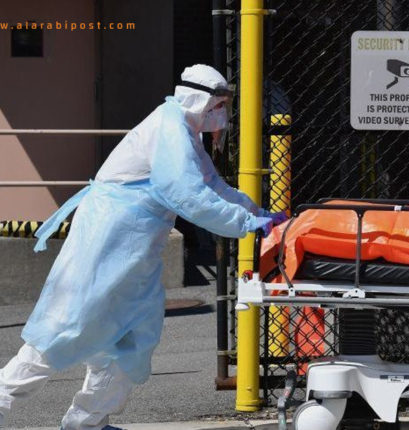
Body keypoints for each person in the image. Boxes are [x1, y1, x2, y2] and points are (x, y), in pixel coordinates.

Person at [0, 64, 286, 430]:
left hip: (134, 250)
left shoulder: (185, 132)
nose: (222, 113)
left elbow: (212, 186)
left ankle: (87, 422)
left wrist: (256, 213)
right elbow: (187, 193)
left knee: (130, 340)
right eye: (218, 104)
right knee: (64, 327)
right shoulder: (170, 129)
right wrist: (245, 222)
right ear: (199, 100)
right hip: (107, 241)